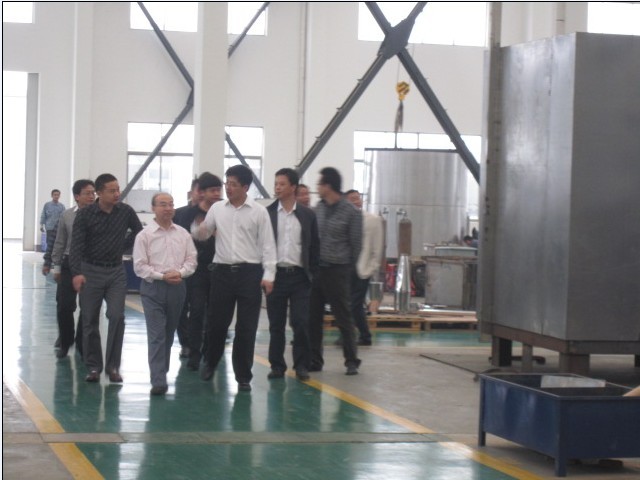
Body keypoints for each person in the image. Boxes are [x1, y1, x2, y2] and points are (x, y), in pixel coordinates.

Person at [192, 164, 277, 392]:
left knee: (246, 328)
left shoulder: (259, 212)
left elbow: (268, 246)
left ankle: (243, 375)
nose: (228, 188)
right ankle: (210, 362)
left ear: (245, 187)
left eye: (233, 184)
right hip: (221, 272)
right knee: (217, 324)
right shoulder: (217, 209)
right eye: (226, 183)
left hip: (250, 273)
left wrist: (269, 275)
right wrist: (198, 228)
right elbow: (204, 233)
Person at [70, 173, 143, 383]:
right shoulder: (85, 215)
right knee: (90, 320)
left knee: (117, 316)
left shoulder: (125, 211)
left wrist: (123, 246)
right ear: (99, 193)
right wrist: (76, 273)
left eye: (118, 189)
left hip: (116, 271)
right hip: (90, 271)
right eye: (112, 191)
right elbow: (76, 246)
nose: (117, 194)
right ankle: (94, 367)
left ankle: (113, 366)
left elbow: (139, 232)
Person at [133, 193, 197, 395]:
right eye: (163, 205)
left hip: (178, 287)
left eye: (171, 204)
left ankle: (161, 369)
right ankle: (158, 379)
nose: (168, 208)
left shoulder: (183, 234)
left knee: (168, 333)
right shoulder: (144, 236)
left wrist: (180, 273)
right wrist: (162, 276)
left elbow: (191, 260)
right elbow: (139, 266)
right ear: (153, 208)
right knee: (157, 335)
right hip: (153, 288)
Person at [265, 168, 320, 381]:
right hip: (275, 276)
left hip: (300, 277)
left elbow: (314, 247)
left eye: (282, 184)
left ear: (293, 187)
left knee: (301, 322)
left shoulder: (307, 215)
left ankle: (302, 365)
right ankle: (277, 365)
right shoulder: (268, 214)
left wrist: (311, 274)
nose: (277, 188)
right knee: (276, 325)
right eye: (276, 184)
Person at [308, 167, 362, 375]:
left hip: (338, 271)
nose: (317, 188)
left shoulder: (351, 212)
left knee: (343, 317)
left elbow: (356, 244)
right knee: (313, 318)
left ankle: (351, 360)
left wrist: (347, 269)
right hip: (317, 271)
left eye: (319, 184)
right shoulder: (318, 209)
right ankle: (315, 360)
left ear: (328, 186)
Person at [174, 172, 223, 371]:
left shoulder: (224, 212)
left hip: (219, 269)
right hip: (195, 270)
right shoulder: (186, 214)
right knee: (196, 311)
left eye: (219, 190)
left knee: (215, 314)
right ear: (202, 192)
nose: (216, 194)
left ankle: (210, 352)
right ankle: (193, 352)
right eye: (212, 190)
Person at [46, 179, 96, 359]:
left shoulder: (99, 215)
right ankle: (65, 341)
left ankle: (82, 342)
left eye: (93, 193)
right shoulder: (67, 215)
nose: (91, 197)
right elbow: (60, 242)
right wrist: (56, 267)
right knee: (64, 305)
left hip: (90, 265)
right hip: (68, 264)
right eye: (87, 193)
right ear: (77, 196)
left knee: (88, 307)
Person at [344, 189, 384, 346]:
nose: (355, 201)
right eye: (351, 199)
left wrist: (372, 267)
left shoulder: (372, 220)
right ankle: (362, 335)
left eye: (357, 198)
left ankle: (356, 335)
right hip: (345, 268)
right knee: (349, 304)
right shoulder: (344, 220)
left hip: (362, 269)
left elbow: (378, 247)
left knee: (354, 304)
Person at [173, 176, 202, 359]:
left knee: (201, 308)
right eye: (200, 190)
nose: (203, 195)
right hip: (182, 268)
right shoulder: (179, 214)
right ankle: (185, 343)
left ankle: (199, 341)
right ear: (192, 192)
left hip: (205, 269)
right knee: (181, 308)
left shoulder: (214, 213)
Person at [40, 189, 66, 254]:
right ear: (52, 196)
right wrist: (41, 225)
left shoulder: (62, 206)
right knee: (49, 242)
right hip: (49, 227)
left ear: (59, 196)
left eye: (58, 195)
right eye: (55, 195)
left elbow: (64, 217)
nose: (56, 196)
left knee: (58, 243)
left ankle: (56, 256)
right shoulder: (47, 205)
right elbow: (43, 215)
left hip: (59, 228)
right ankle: (49, 255)